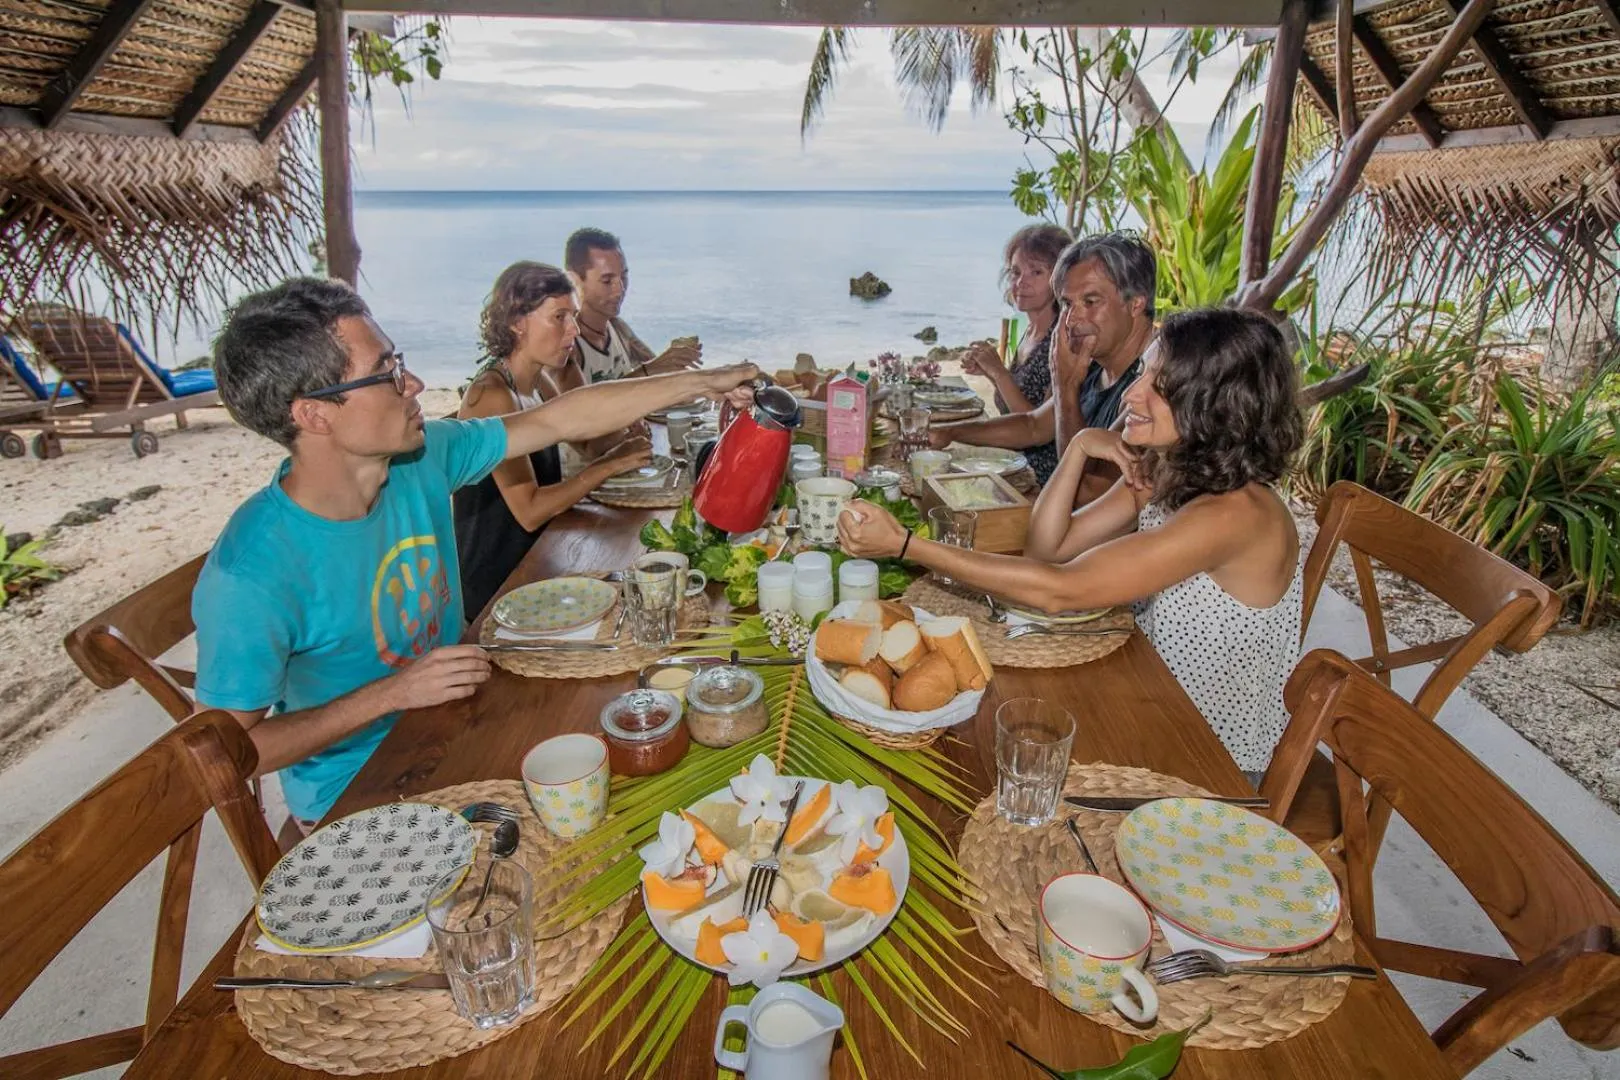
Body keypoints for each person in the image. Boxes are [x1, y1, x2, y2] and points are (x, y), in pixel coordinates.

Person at [193, 277, 756, 833]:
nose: (411, 383)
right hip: (363, 792)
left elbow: (558, 419)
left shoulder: (420, 460)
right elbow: (231, 754)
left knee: (666, 744)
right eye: (385, 372)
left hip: (462, 709)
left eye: (400, 361)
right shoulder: (252, 571)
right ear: (313, 414)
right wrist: (394, 692)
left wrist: (700, 382)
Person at [840, 308, 1304, 777]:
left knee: (996, 757)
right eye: (1143, 372)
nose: (1133, 395)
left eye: (1160, 387)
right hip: (1152, 695)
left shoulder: (1233, 517)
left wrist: (904, 545)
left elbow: (1059, 589)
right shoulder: (1174, 470)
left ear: (1217, 405)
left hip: (1210, 758)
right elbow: (1048, 549)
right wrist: (1079, 447)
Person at [454, 262, 656, 619]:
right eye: (559, 317)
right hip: (497, 584)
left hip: (538, 557)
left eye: (574, 317)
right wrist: (611, 464)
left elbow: (590, 444)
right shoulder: (491, 397)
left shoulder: (540, 384)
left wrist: (626, 425)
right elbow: (530, 511)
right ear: (517, 322)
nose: (573, 331)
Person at [933, 233, 1156, 492]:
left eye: (1091, 302)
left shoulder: (1152, 387)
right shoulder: (1096, 363)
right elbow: (1033, 425)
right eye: (1067, 304)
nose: (1072, 320)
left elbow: (1084, 492)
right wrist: (950, 432)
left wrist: (1066, 386)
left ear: (1136, 303)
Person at [956, 224, 1071, 483]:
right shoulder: (1031, 331)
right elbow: (1015, 399)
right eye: (1016, 272)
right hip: (1010, 461)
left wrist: (999, 373)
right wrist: (990, 373)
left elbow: (1038, 426)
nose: (1021, 282)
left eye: (1036, 272)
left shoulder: (1062, 340)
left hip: (1039, 476)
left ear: (1061, 279)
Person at [556, 227, 702, 385]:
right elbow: (580, 406)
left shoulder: (618, 329)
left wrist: (676, 359)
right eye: (607, 281)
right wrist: (651, 369)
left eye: (624, 276)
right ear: (574, 281)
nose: (620, 289)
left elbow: (660, 370)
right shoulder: (568, 347)